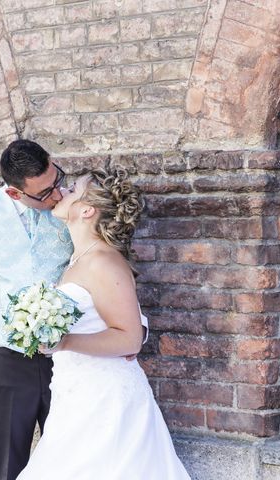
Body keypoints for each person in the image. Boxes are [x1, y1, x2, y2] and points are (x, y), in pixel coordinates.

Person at [0, 140, 148, 480]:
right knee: (6, 466)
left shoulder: (73, 210)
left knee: (72, 461)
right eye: (44, 193)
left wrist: (135, 329)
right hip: (7, 362)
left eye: (56, 180)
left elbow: (109, 274)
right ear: (14, 194)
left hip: (70, 365)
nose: (55, 194)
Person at [16, 167, 190, 480]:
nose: (63, 192)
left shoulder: (104, 261)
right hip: (76, 391)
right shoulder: (80, 259)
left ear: (87, 210)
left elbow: (130, 339)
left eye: (73, 190)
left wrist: (65, 342)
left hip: (106, 400)